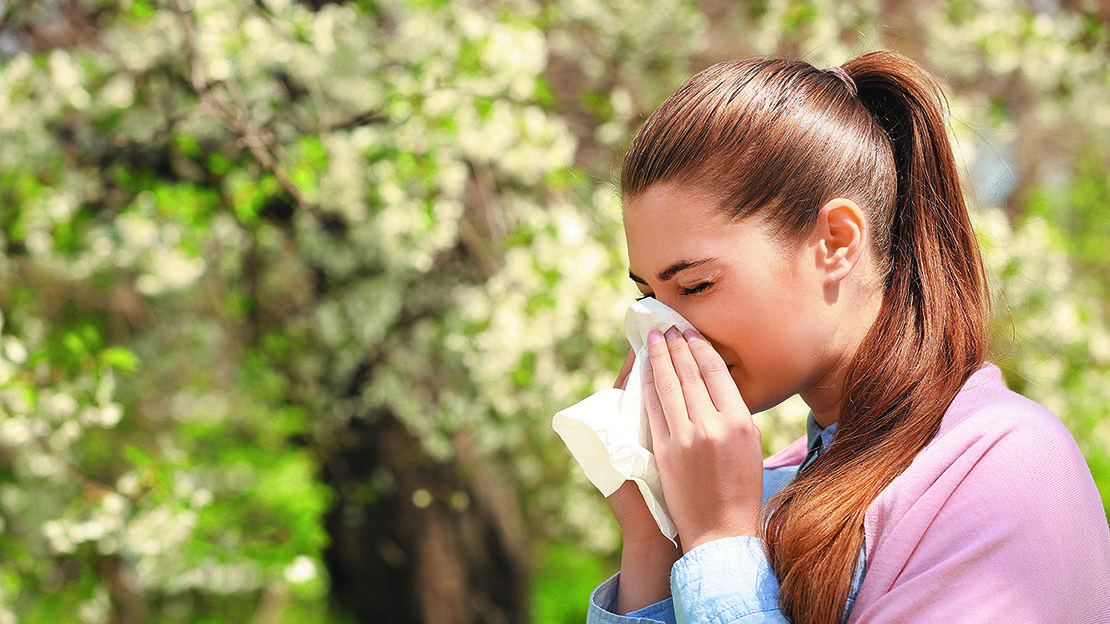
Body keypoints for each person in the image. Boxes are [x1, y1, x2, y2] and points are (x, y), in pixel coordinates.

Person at [586, 51, 1110, 624]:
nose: (667, 332)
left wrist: (717, 543)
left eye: (696, 284)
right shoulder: (769, 486)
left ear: (835, 242)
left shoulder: (1002, 465)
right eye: (648, 298)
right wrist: (654, 535)